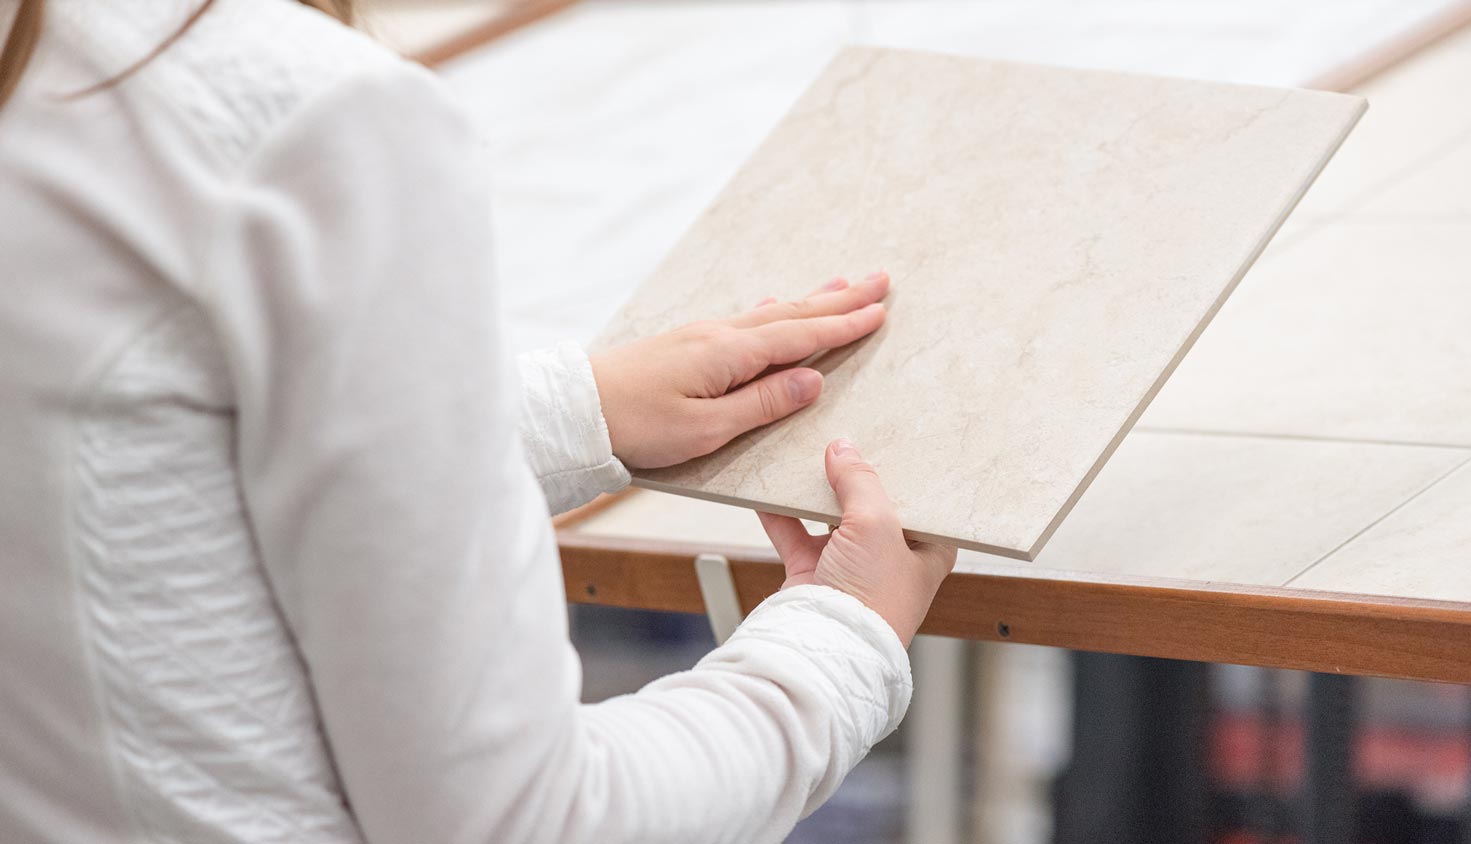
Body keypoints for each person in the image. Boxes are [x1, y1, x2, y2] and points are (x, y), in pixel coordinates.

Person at [0, 0, 956, 841]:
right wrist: (843, 644)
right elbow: (516, 823)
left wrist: (575, 412)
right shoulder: (303, 120)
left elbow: (144, 486)